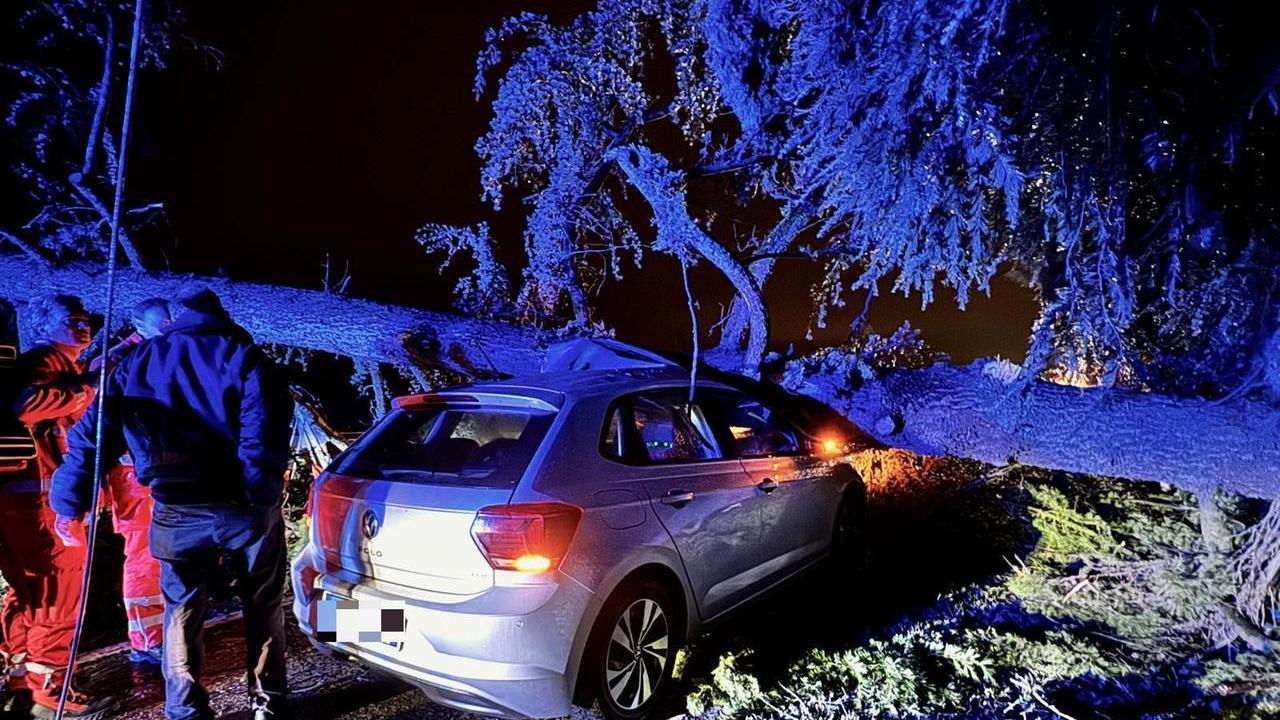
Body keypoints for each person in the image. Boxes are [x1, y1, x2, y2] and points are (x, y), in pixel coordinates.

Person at [50, 287, 294, 720]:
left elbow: (92, 437)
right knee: (262, 603)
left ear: (173, 320)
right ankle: (268, 704)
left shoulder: (138, 363)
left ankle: (184, 709)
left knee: (181, 609)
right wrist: (260, 498)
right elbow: (265, 436)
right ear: (220, 317)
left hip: (175, 506)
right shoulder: (245, 357)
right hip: (241, 505)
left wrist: (69, 501)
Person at [0, 294, 107, 718]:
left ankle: (22, 680)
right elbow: (25, 405)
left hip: (27, 500)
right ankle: (51, 692)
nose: (83, 327)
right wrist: (88, 388)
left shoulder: (61, 366)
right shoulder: (44, 363)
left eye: (85, 320)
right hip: (44, 503)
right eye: (72, 321)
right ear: (44, 325)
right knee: (59, 591)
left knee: (30, 592)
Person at [87, 298, 173, 666]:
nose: (171, 327)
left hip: (151, 470)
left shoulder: (156, 354)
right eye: (164, 321)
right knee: (144, 556)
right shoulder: (118, 362)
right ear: (142, 324)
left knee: (160, 554)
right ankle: (147, 640)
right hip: (132, 475)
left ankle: (160, 634)